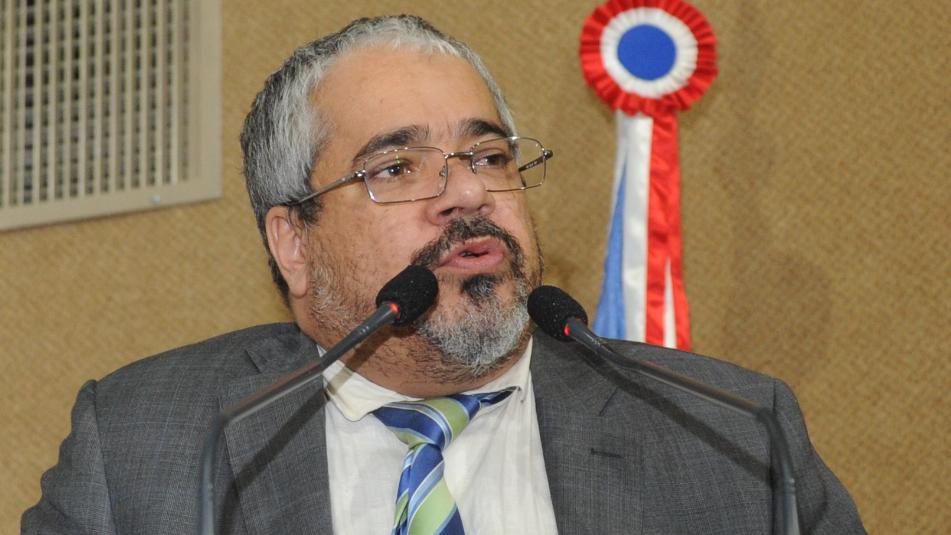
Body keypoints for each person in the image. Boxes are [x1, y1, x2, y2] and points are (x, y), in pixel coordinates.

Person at [23, 15, 865, 535]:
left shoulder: (729, 435)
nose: (467, 194)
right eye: (396, 168)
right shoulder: (145, 444)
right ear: (292, 242)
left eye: (488, 156)